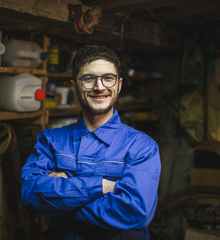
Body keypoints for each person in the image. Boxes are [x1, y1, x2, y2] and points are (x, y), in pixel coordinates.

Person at [21, 45, 161, 240]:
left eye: (108, 78)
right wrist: (104, 186)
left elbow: (135, 212)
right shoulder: (51, 141)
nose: (99, 87)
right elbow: (31, 194)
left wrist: (64, 201)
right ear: (74, 86)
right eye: (88, 79)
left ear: (119, 85)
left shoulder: (141, 147)